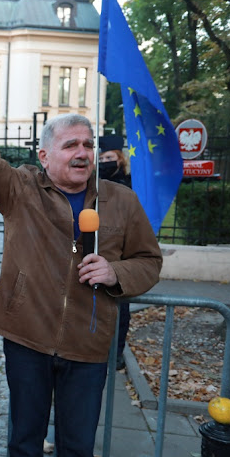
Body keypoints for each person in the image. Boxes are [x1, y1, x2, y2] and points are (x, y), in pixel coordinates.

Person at [0, 24, 162, 457]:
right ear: (44, 155)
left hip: (88, 344)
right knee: (23, 441)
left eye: (88, 145)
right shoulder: (19, 189)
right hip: (27, 341)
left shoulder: (120, 201)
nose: (83, 153)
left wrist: (115, 271)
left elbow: (149, 261)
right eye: (71, 145)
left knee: (78, 449)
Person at [98, 135, 132, 370]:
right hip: (98, 249)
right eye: (101, 158)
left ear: (120, 158)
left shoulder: (130, 184)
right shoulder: (95, 182)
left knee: (120, 310)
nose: (105, 161)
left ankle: (116, 353)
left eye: (109, 157)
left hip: (121, 256)